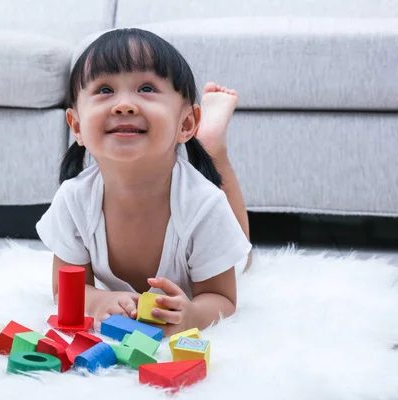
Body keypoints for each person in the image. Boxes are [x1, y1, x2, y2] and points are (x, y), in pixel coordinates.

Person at [36, 28, 252, 336]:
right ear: (77, 126)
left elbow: (222, 298)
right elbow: (66, 290)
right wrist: (100, 301)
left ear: (185, 123)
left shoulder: (203, 205)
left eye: (147, 88)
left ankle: (213, 148)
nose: (125, 105)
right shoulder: (74, 200)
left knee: (242, 252)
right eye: (105, 90)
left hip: (205, 219)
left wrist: (192, 314)